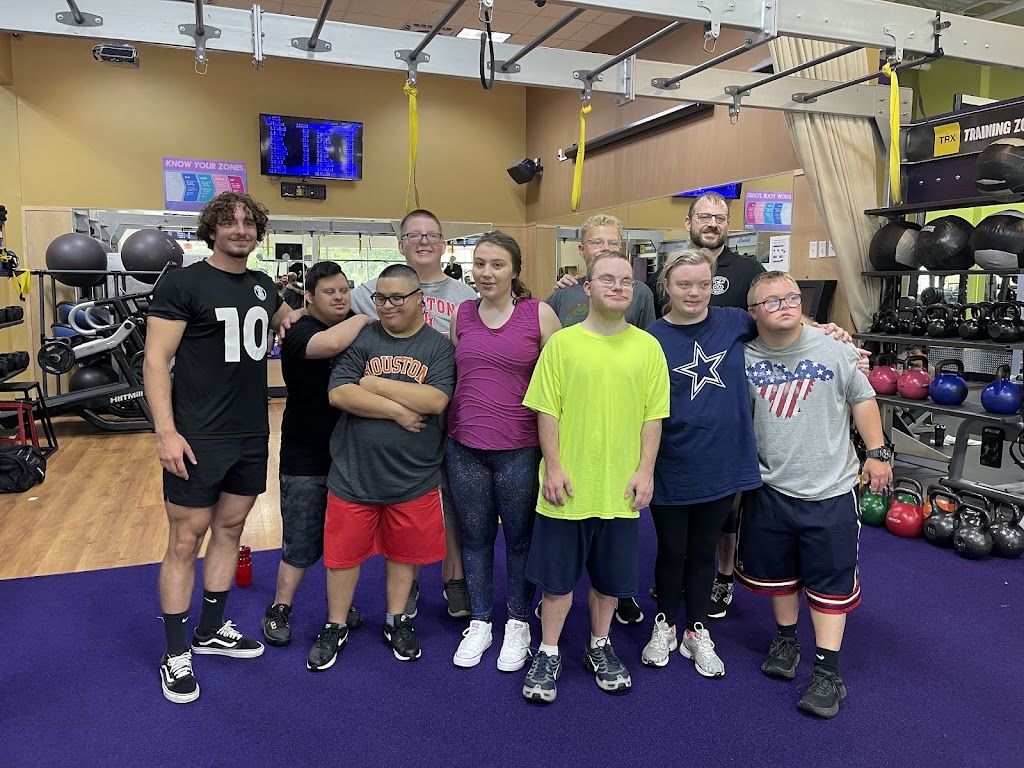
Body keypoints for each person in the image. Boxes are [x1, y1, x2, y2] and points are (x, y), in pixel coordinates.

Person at [145, 192, 296, 704]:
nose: (241, 229)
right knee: (185, 541)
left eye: (249, 223)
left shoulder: (264, 285)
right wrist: (166, 433)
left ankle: (210, 631)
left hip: (251, 432)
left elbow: (286, 317)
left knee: (230, 530)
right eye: (229, 222)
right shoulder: (183, 283)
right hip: (198, 435)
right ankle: (175, 653)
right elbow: (155, 360)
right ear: (211, 230)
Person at [740, 270, 892, 719]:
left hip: (830, 489)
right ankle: (786, 640)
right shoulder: (744, 357)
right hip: (770, 488)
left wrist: (877, 452)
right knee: (780, 576)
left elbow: (862, 399)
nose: (785, 306)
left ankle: (828, 672)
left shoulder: (834, 347)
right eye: (772, 301)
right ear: (753, 313)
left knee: (830, 584)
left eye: (791, 297)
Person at [521, 252, 669, 704]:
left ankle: (599, 645)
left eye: (626, 281)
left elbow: (653, 417)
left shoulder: (648, 347)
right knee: (556, 583)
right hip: (567, 486)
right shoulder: (562, 345)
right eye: (607, 279)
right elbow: (547, 410)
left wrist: (646, 471)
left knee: (609, 582)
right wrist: (554, 466)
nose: (618, 287)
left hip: (620, 489)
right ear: (587, 288)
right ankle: (548, 651)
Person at [307, 264, 456, 670]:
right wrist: (397, 411)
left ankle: (397, 620)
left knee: (404, 554)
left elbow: (435, 401)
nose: (387, 306)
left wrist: (373, 384)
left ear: (419, 299)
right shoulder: (364, 338)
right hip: (354, 472)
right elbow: (339, 393)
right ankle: (336, 624)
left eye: (396, 298)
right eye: (380, 298)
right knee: (342, 557)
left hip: (414, 475)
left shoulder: (438, 347)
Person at [641, 248, 764, 677]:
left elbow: (785, 324)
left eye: (703, 284)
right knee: (672, 549)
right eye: (684, 284)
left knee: (702, 551)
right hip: (671, 462)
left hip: (722, 463)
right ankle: (664, 625)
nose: (694, 292)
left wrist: (830, 331)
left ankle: (696, 631)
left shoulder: (734, 321)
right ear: (666, 287)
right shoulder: (651, 338)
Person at [350, 209, 476, 620]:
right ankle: (409, 585)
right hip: (396, 416)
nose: (424, 241)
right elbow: (327, 309)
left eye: (432, 235)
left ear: (443, 244)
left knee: (452, 502)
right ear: (400, 244)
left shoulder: (465, 296)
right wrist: (292, 314)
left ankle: (454, 580)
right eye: (414, 235)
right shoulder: (370, 291)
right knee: (408, 505)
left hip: (449, 410)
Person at [445, 232, 562, 671]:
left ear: (514, 270)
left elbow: (560, 383)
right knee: (475, 538)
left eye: (497, 264)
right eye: (479, 264)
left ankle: (517, 621)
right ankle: (480, 621)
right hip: (465, 447)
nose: (486, 272)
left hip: (520, 449)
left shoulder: (539, 314)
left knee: (519, 540)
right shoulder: (461, 314)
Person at [543, 213, 657, 626]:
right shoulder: (560, 299)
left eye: (614, 244)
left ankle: (615, 603)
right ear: (582, 250)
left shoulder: (640, 297)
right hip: (574, 432)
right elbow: (548, 377)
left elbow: (645, 346)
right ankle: (552, 620)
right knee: (561, 555)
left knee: (614, 552)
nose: (606, 249)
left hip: (620, 438)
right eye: (598, 242)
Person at [261, 262, 376, 649]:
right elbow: (327, 346)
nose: (339, 297)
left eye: (344, 290)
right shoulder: (299, 330)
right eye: (329, 292)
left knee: (344, 541)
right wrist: (363, 318)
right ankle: (279, 608)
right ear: (309, 296)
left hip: (349, 455)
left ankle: (340, 608)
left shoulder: (350, 326)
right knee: (300, 541)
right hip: (305, 456)